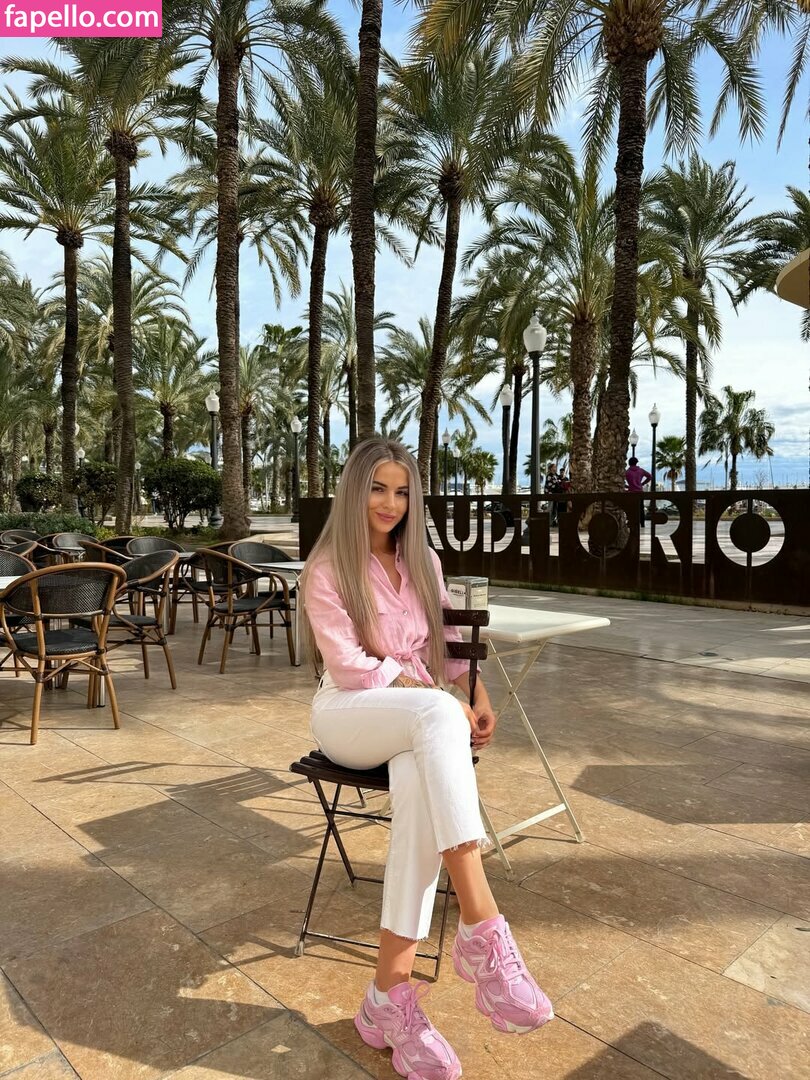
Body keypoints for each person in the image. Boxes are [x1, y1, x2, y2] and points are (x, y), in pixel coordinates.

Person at [301, 438, 553, 1080]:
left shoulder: (423, 562)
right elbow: (351, 668)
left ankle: (388, 998)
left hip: (416, 713)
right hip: (349, 711)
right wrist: (441, 699)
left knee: (419, 779)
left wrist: (478, 695)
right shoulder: (327, 568)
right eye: (377, 488)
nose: (390, 503)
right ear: (354, 491)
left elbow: (448, 645)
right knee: (437, 714)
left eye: (403, 491)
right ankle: (482, 926)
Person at [625, 456, 652, 527]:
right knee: (641, 508)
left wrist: (627, 486)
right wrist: (642, 483)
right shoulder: (641, 471)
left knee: (631, 508)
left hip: (631, 492)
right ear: (636, 463)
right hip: (640, 491)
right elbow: (650, 476)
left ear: (629, 463)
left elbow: (621, 480)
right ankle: (642, 523)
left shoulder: (627, 472)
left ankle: (631, 522)